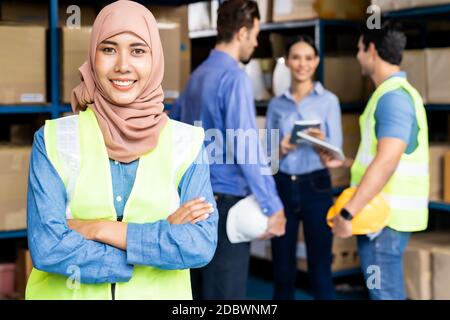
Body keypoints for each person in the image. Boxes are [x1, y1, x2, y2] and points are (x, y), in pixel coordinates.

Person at [25, 1, 218, 300]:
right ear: (92, 56)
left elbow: (199, 245)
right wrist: (154, 243)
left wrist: (99, 229)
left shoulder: (187, 143)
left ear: (155, 58)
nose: (123, 65)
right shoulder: (53, 139)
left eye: (138, 50)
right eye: (109, 49)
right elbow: (48, 248)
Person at [170, 0, 286, 300]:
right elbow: (246, 146)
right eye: (256, 34)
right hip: (224, 208)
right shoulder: (234, 78)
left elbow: (173, 137)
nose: (257, 42)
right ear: (243, 33)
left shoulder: (195, 78)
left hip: (192, 204)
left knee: (198, 293)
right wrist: (273, 206)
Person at [323, 21, 429, 300]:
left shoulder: (393, 98)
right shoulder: (397, 94)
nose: (357, 55)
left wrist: (348, 213)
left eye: (359, 48)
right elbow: (387, 156)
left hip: (383, 220)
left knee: (385, 295)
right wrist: (346, 163)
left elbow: (387, 161)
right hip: (382, 218)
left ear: (371, 50)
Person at [266, 35, 342, 300]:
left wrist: (323, 145)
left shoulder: (329, 101)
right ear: (287, 61)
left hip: (316, 185)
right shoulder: (277, 105)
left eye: (309, 58)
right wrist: (283, 147)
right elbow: (269, 158)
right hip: (283, 186)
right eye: (296, 57)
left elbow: (337, 153)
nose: (302, 64)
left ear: (317, 61)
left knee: (320, 271)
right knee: (283, 272)